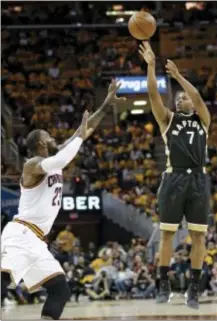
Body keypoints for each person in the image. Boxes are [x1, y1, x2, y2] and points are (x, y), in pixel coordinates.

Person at [1, 80, 125, 319]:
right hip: (21, 233)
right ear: (40, 143)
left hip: (36, 240)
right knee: (3, 281)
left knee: (60, 290)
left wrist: (107, 103)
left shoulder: (56, 157)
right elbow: (65, 155)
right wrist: (78, 134)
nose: (53, 137)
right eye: (48, 136)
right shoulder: (32, 165)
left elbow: (84, 132)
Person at [139, 42, 211, 309]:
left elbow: (200, 98)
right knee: (167, 235)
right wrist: (150, 66)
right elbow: (153, 95)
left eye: (186, 97)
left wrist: (179, 76)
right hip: (174, 178)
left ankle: (193, 288)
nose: (183, 98)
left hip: (199, 180)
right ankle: (163, 284)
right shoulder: (168, 119)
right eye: (179, 97)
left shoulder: (203, 119)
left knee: (199, 237)